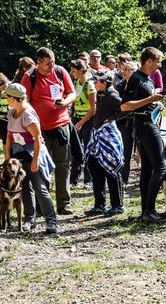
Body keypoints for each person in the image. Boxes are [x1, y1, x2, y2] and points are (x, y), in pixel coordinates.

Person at [21, 47, 76, 215]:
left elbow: (72, 93)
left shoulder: (60, 71)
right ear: (38, 63)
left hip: (61, 125)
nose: (52, 66)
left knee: (63, 165)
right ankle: (41, 205)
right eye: (47, 64)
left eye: (53, 61)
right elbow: (25, 102)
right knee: (40, 166)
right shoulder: (29, 77)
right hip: (39, 130)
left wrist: (65, 102)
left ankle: (64, 203)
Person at [120, 47, 166, 223]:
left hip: (148, 123)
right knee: (161, 167)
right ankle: (149, 209)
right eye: (158, 61)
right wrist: (151, 100)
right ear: (149, 61)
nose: (159, 65)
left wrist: (155, 104)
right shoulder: (135, 79)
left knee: (147, 168)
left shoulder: (147, 79)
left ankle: (147, 211)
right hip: (145, 126)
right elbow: (125, 106)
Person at [3, 83, 57, 234]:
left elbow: (37, 139)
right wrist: (7, 156)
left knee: (39, 188)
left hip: (33, 154)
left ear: (15, 99)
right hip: (19, 156)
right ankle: (29, 219)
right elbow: (9, 136)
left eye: (8, 97)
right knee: (25, 188)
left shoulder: (28, 115)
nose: (6, 99)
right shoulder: (11, 112)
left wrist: (36, 160)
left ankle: (51, 221)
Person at [84, 71, 125, 216]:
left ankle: (117, 205)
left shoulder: (113, 95)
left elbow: (127, 109)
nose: (94, 84)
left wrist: (112, 118)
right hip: (97, 135)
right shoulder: (102, 94)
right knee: (95, 167)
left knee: (112, 168)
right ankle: (99, 205)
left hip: (109, 135)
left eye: (96, 82)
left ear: (104, 82)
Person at [68, 59, 96, 187]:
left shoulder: (89, 85)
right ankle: (73, 179)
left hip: (88, 120)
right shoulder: (76, 83)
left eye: (74, 71)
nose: (71, 73)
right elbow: (74, 102)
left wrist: (80, 123)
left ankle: (89, 180)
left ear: (80, 70)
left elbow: (93, 109)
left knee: (88, 149)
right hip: (76, 118)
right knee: (75, 149)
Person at [117, 61, 138, 184]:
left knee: (138, 150)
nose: (125, 72)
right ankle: (122, 178)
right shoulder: (120, 85)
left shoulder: (139, 85)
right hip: (122, 122)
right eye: (124, 69)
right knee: (124, 150)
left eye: (128, 69)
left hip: (136, 121)